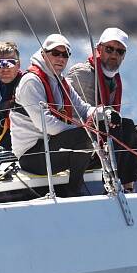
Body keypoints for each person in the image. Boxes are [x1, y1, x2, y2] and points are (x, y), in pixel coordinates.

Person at [65, 27, 137, 191]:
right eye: (109, 49)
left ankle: (133, 178)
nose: (114, 54)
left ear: (124, 56)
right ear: (99, 49)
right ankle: (125, 186)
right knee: (125, 125)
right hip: (82, 142)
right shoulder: (82, 73)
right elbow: (70, 110)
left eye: (119, 51)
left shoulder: (113, 78)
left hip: (105, 136)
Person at [9, 34, 96, 197]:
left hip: (51, 146)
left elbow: (83, 109)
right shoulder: (31, 81)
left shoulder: (60, 81)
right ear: (43, 54)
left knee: (107, 128)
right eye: (55, 53)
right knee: (84, 136)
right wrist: (80, 128)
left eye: (65, 55)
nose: (61, 58)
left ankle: (124, 185)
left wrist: (104, 114)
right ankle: (74, 191)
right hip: (31, 155)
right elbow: (46, 124)